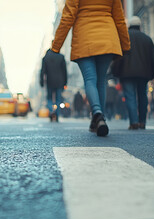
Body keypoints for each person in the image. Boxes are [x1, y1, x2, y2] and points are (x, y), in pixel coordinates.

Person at [52, 0, 130, 136]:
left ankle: (97, 113)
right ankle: (100, 118)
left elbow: (68, 16)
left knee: (90, 79)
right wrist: (125, 45)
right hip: (107, 37)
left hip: (84, 37)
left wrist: (56, 46)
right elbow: (119, 18)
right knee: (101, 81)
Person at [111, 16, 154, 130]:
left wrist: (115, 72)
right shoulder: (147, 39)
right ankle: (142, 122)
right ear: (140, 26)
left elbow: (118, 56)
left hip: (126, 73)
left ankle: (133, 122)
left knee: (130, 96)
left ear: (129, 26)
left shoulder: (124, 37)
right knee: (142, 96)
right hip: (143, 74)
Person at [40, 48, 68, 122]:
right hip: (59, 81)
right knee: (58, 99)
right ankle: (57, 114)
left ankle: (51, 110)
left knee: (49, 98)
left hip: (49, 81)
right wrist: (65, 82)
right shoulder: (61, 57)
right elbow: (64, 71)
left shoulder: (46, 57)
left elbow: (42, 71)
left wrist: (42, 82)